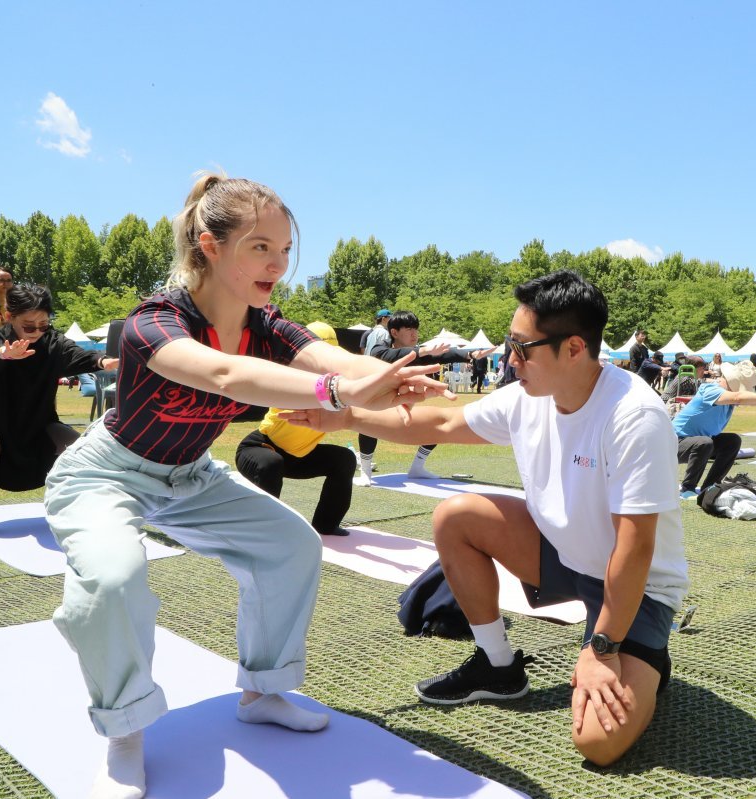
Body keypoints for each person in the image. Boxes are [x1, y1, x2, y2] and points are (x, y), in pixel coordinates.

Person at [42, 174, 447, 799]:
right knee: (112, 580)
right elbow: (229, 375)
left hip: (192, 476)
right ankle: (125, 730)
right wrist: (340, 393)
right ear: (209, 244)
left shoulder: (268, 322)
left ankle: (262, 690)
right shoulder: (154, 321)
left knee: (290, 546)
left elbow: (335, 362)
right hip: (107, 472)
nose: (277, 264)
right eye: (260, 247)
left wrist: (398, 376)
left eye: (285, 250)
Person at [284, 269, 689, 767]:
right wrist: (344, 417)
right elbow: (443, 421)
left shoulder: (634, 416)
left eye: (522, 348)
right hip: (566, 557)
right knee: (457, 516)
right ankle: (500, 668)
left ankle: (644, 656)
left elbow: (636, 549)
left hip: (637, 587)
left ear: (574, 349)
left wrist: (602, 650)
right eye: (508, 343)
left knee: (597, 744)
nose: (509, 358)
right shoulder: (528, 398)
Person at [0, 285, 118, 539]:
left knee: (79, 446)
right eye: (29, 326)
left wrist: (102, 361)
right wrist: (5, 354)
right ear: (10, 317)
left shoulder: (53, 341)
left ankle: (75, 512)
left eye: (43, 325)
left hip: (38, 424)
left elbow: (76, 354)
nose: (37, 332)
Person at [235, 321, 357, 537]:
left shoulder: (336, 388)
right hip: (260, 448)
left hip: (298, 456)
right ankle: (263, 532)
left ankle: (326, 525)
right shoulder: (289, 381)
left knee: (345, 458)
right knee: (271, 464)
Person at [354, 310, 497, 484]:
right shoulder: (380, 349)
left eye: (416, 329)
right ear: (394, 332)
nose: (414, 333)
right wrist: (420, 352)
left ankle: (417, 468)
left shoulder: (418, 352)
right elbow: (386, 355)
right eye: (409, 329)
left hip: (404, 411)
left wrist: (470, 355)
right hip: (379, 407)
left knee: (437, 423)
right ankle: (366, 472)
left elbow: (444, 354)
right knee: (368, 422)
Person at [674, 359, 756, 499]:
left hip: (694, 443)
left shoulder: (729, 400)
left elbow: (748, 399)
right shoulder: (710, 389)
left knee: (732, 441)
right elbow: (739, 397)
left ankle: (710, 487)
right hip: (672, 443)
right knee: (704, 443)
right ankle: (687, 489)